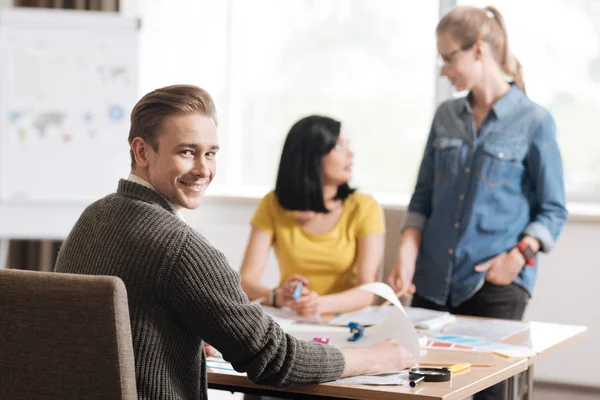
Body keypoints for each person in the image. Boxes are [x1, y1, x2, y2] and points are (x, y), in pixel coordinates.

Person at [54, 85, 415, 400]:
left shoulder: (94, 217)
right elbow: (274, 358)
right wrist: (374, 357)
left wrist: (190, 338)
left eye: (211, 153)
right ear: (142, 152)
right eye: (186, 152)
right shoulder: (180, 248)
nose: (203, 169)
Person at [386, 6, 568, 400]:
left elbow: (553, 209)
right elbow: (422, 196)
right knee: (419, 389)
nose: (443, 69)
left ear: (479, 50)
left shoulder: (534, 121)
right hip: (433, 282)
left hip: (495, 284)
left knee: (489, 394)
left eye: (449, 58)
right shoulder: (445, 116)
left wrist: (518, 256)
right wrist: (406, 250)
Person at [239, 115, 385, 317]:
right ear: (311, 156)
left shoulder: (364, 207)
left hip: (345, 322)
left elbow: (369, 291)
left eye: (348, 145)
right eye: (339, 147)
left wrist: (320, 304)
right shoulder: (272, 204)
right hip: (291, 320)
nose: (351, 153)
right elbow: (245, 282)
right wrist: (277, 296)